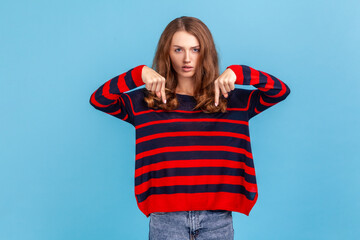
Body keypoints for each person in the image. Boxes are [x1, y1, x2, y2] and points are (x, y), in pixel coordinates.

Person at [89, 16, 290, 240]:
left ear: (206, 53)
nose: (187, 58)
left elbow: (279, 91)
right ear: (167, 53)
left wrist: (239, 72)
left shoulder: (232, 100)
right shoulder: (144, 103)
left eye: (195, 49)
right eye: (178, 49)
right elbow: (100, 99)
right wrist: (139, 74)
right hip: (166, 219)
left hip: (218, 218)